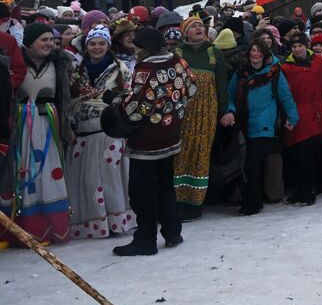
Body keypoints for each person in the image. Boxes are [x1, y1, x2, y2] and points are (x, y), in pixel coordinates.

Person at [114, 26, 193, 256]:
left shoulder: (146, 69)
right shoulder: (179, 62)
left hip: (146, 140)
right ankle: (172, 231)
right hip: (171, 134)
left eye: (136, 46)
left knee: (142, 191)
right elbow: (191, 88)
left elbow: (138, 107)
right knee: (166, 185)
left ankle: (145, 239)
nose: (134, 51)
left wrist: (118, 103)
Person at [67, 25, 135, 239]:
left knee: (110, 178)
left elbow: (128, 96)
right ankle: (92, 223)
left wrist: (109, 102)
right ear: (86, 46)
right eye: (93, 44)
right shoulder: (77, 71)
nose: (97, 48)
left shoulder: (120, 68)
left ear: (108, 45)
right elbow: (69, 97)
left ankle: (115, 221)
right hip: (83, 133)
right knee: (87, 179)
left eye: (101, 44)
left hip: (109, 131)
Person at [8, 22, 73, 244]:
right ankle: (27, 229)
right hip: (21, 125)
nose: (49, 44)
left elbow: (67, 97)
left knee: (49, 172)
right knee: (25, 172)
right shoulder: (16, 64)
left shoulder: (60, 64)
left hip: (49, 125)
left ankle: (53, 227)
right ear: (29, 42)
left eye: (51, 40)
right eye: (43, 40)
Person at [221, 36, 297, 215]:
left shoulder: (274, 73)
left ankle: (252, 204)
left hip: (264, 124)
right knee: (247, 164)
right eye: (252, 51)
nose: (255, 54)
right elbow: (231, 95)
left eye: (259, 51)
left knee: (251, 164)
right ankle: (252, 201)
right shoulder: (241, 72)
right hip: (244, 122)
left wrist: (292, 118)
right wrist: (230, 111)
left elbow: (286, 97)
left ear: (265, 54)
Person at [174, 16, 221, 219]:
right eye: (193, 26)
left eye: (201, 25)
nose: (198, 28)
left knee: (201, 154)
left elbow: (222, 84)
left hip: (207, 111)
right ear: (185, 32)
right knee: (180, 153)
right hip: (183, 112)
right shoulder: (176, 53)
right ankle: (177, 200)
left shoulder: (214, 53)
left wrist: (227, 110)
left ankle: (195, 203)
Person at [281, 29, 322, 205]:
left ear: (306, 46)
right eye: (294, 46)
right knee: (297, 155)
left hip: (314, 111)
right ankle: (301, 188)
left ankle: (310, 190)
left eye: (300, 46)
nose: (297, 49)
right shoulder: (286, 67)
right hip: (295, 112)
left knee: (308, 154)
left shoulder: (319, 62)